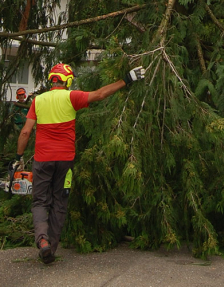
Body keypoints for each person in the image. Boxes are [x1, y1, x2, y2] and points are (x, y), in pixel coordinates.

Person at [14, 62, 145, 264]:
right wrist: (127, 79)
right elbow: (100, 94)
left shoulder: (38, 101)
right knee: (60, 202)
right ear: (67, 81)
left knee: (40, 201)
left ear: (51, 79)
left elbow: (25, 131)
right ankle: (52, 249)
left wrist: (18, 157)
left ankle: (42, 241)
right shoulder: (71, 97)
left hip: (42, 160)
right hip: (65, 162)